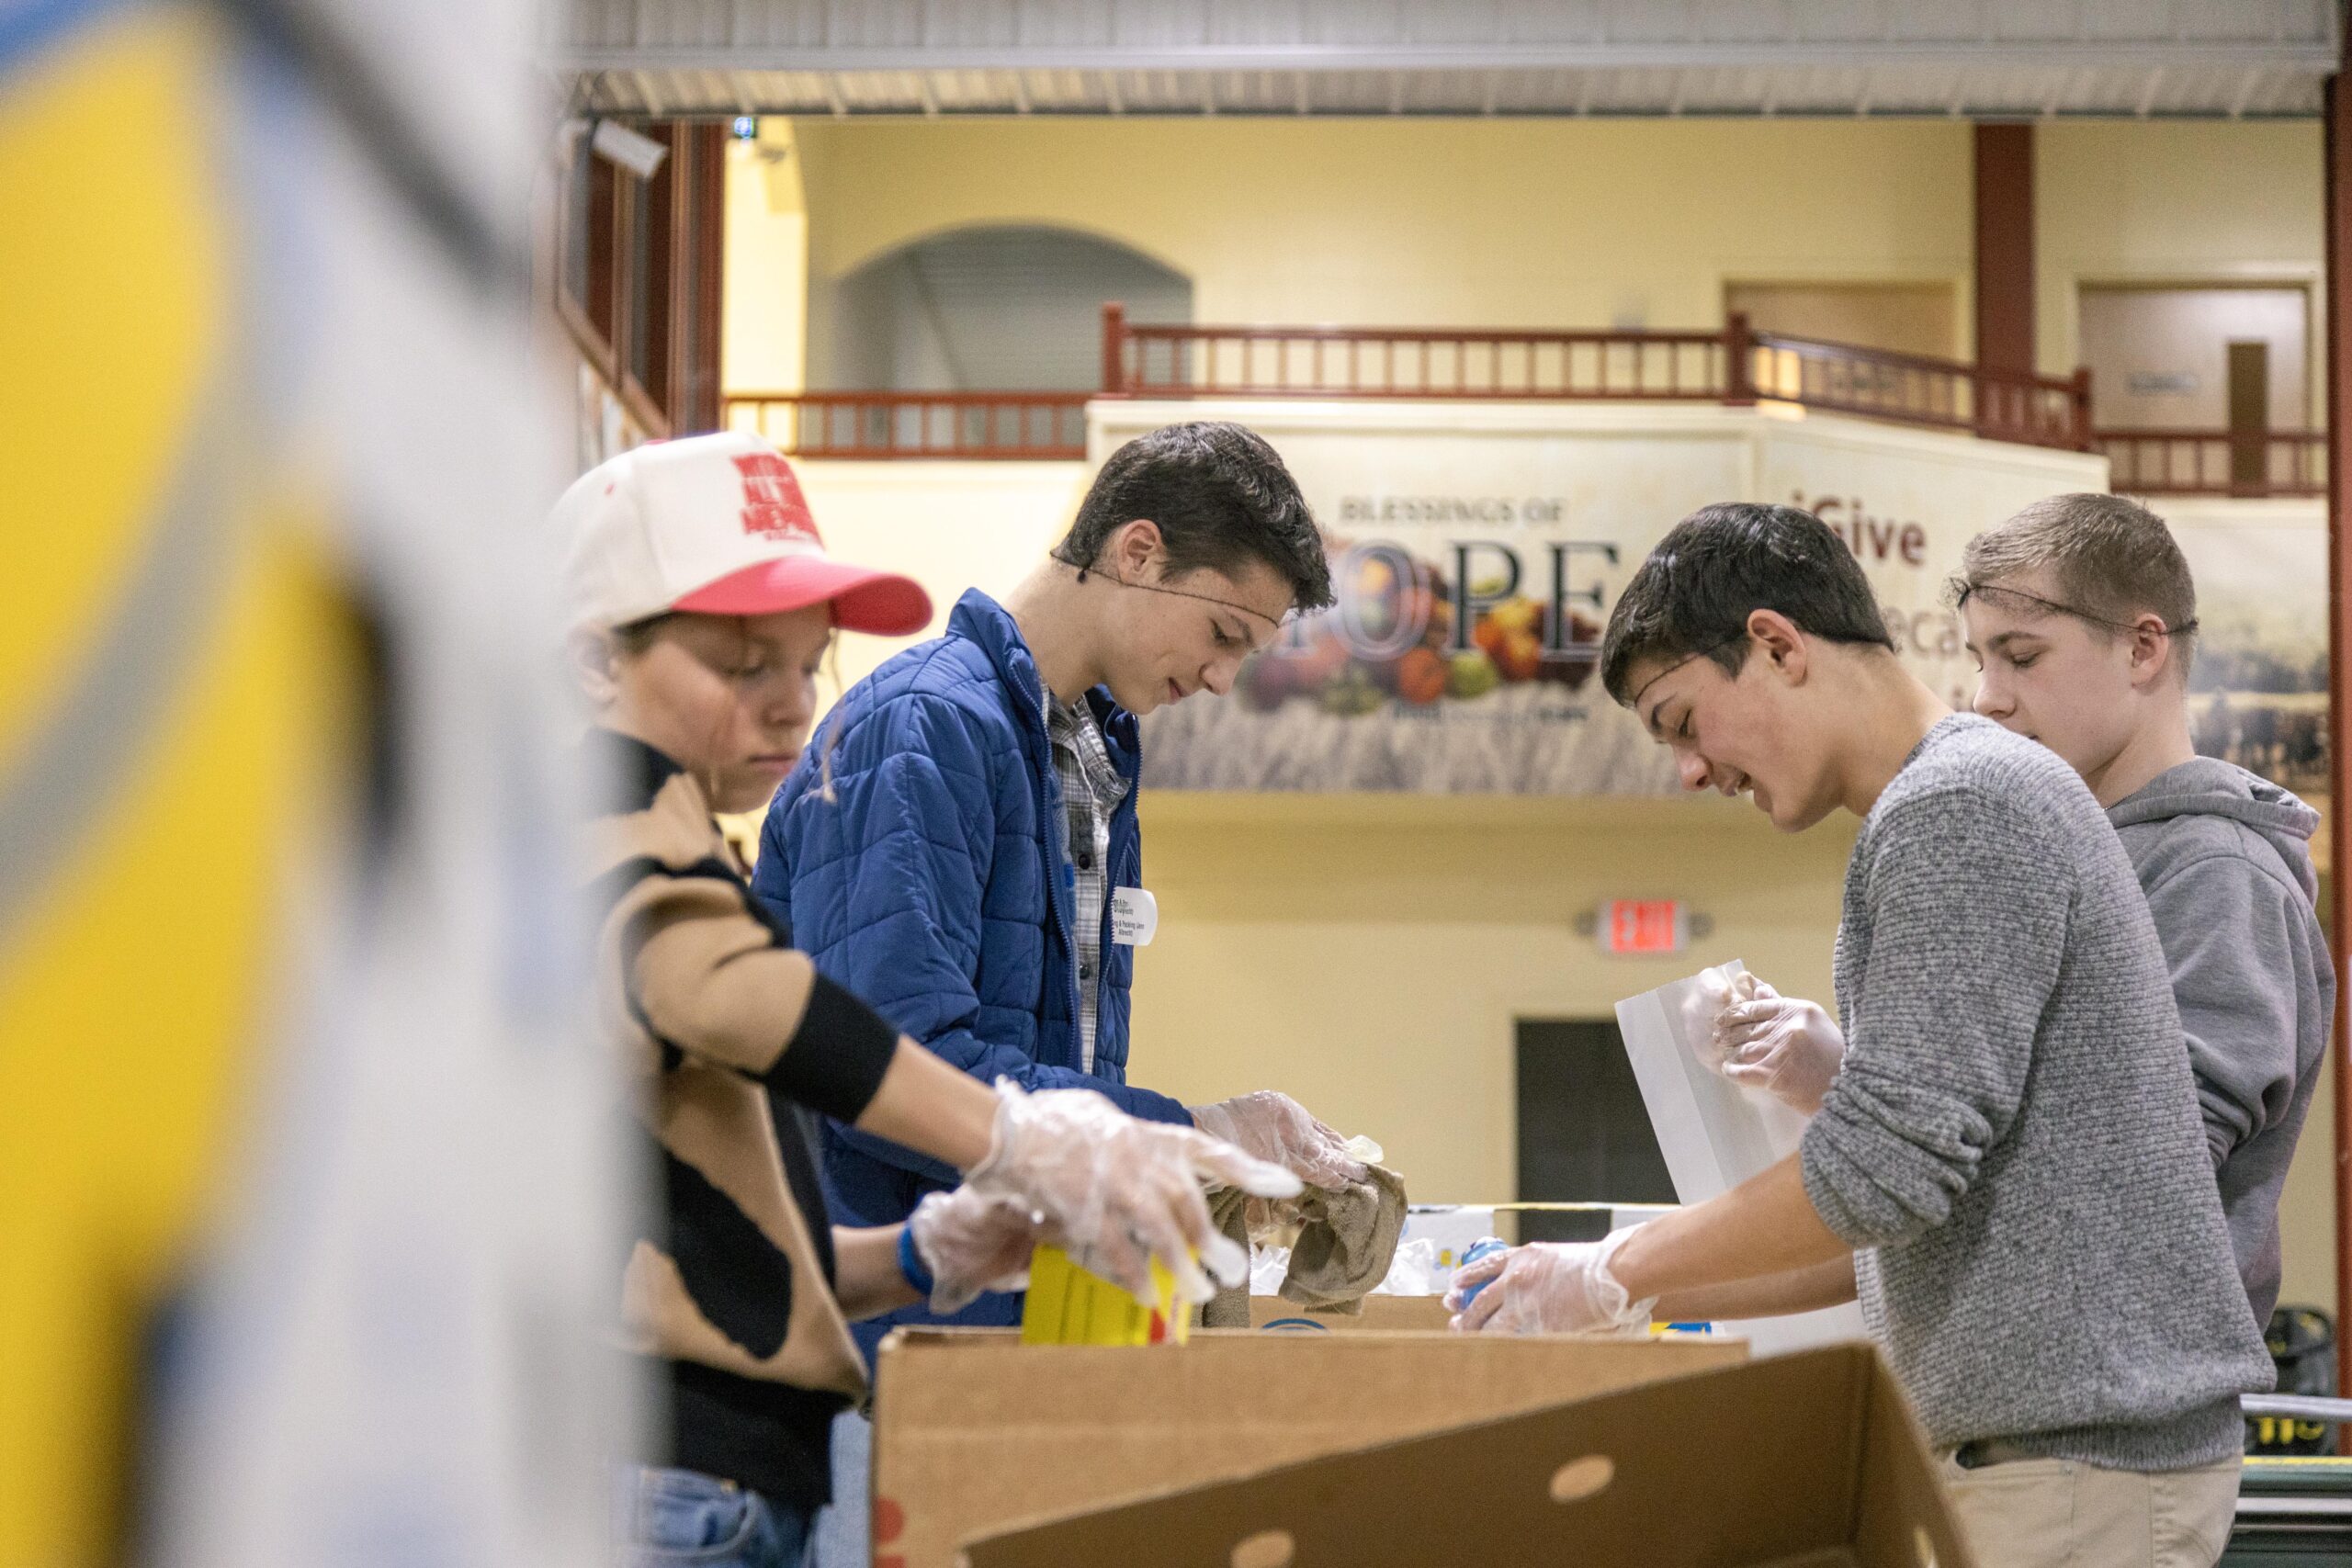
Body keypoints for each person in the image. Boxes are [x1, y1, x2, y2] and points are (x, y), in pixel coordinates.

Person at [1449, 502, 2272, 1568]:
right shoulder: (1938, 807)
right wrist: (1606, 1288)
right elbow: (1890, 1231)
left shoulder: (1960, 802)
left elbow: (1880, 1172)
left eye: (1683, 720)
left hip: (2074, 1467)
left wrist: (1615, 1262)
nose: (1690, 772)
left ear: (1776, 645)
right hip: (2052, 1460)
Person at [553, 432, 1300, 1568]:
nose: (793, 709)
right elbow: (789, 1019)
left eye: (808, 666)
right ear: (592, 663)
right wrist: (1036, 1136)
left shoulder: (685, 840)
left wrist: (927, 1249)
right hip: (687, 1459)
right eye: (744, 665)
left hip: (759, 1449)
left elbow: (734, 1238)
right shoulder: (620, 866)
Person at [754, 419, 1367, 1360]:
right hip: (883, 1335)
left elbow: (1044, 1066)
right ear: (1137, 550)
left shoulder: (1091, 755)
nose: (1217, 678)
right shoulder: (922, 729)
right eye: (1220, 633)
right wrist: (1188, 1133)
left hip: (1014, 1318)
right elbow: (897, 1067)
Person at [1717, 492, 2334, 1334]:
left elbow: (2137, 1179)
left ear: (2143, 648)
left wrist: (1871, 1104)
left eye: (2022, 656)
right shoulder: (2066, 846)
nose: (1986, 698)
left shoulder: (2218, 874)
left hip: (2118, 1398)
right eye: (1979, 660)